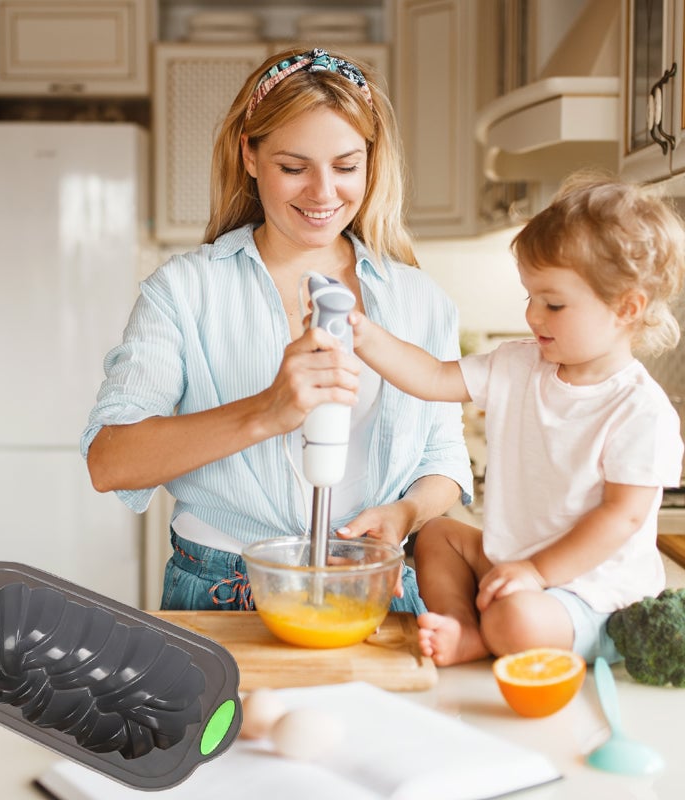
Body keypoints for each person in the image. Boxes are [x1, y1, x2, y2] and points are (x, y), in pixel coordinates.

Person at [81, 47, 473, 612]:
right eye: (294, 168)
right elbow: (109, 462)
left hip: (373, 586)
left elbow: (445, 457)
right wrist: (268, 410)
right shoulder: (186, 291)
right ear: (250, 155)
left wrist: (404, 515)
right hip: (220, 589)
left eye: (345, 167)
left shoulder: (418, 299)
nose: (322, 193)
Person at [348, 172, 685, 665]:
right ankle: (463, 626)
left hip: (591, 595)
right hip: (515, 568)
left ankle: (488, 637)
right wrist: (363, 335)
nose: (533, 315)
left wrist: (537, 572)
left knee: (517, 618)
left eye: (553, 303)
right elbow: (435, 377)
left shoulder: (641, 410)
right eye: (530, 297)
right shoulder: (518, 365)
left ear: (626, 308)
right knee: (439, 534)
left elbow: (621, 517)